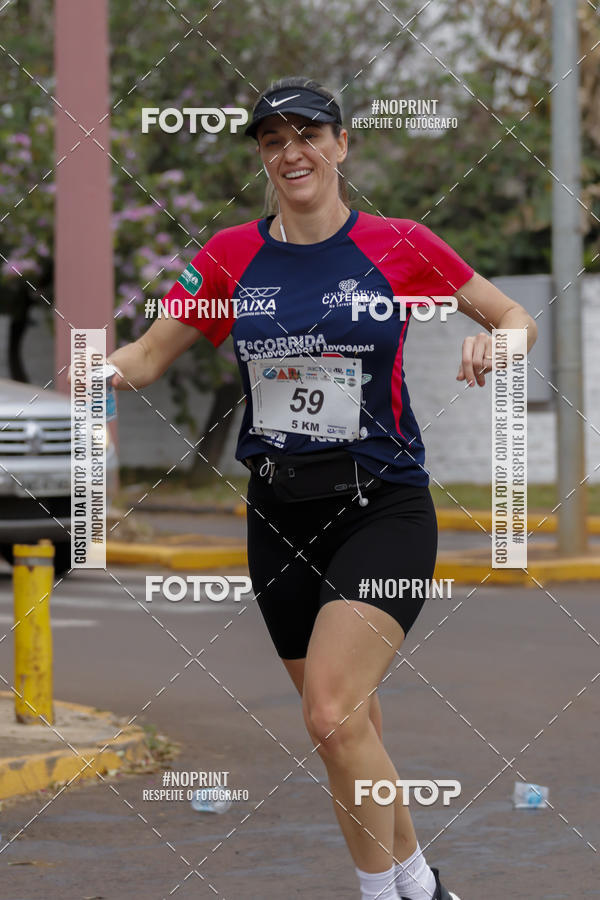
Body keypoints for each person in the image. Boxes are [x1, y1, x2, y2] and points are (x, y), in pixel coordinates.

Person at [107, 76, 537, 900]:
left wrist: (499, 346)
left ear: (342, 145)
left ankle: (383, 896)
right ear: (262, 158)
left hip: (382, 505)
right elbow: (149, 354)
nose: (291, 152)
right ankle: (420, 887)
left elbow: (515, 317)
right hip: (277, 513)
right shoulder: (228, 256)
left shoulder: (401, 243)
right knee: (348, 727)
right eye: (273, 141)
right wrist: (100, 369)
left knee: (331, 713)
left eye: (308, 135)